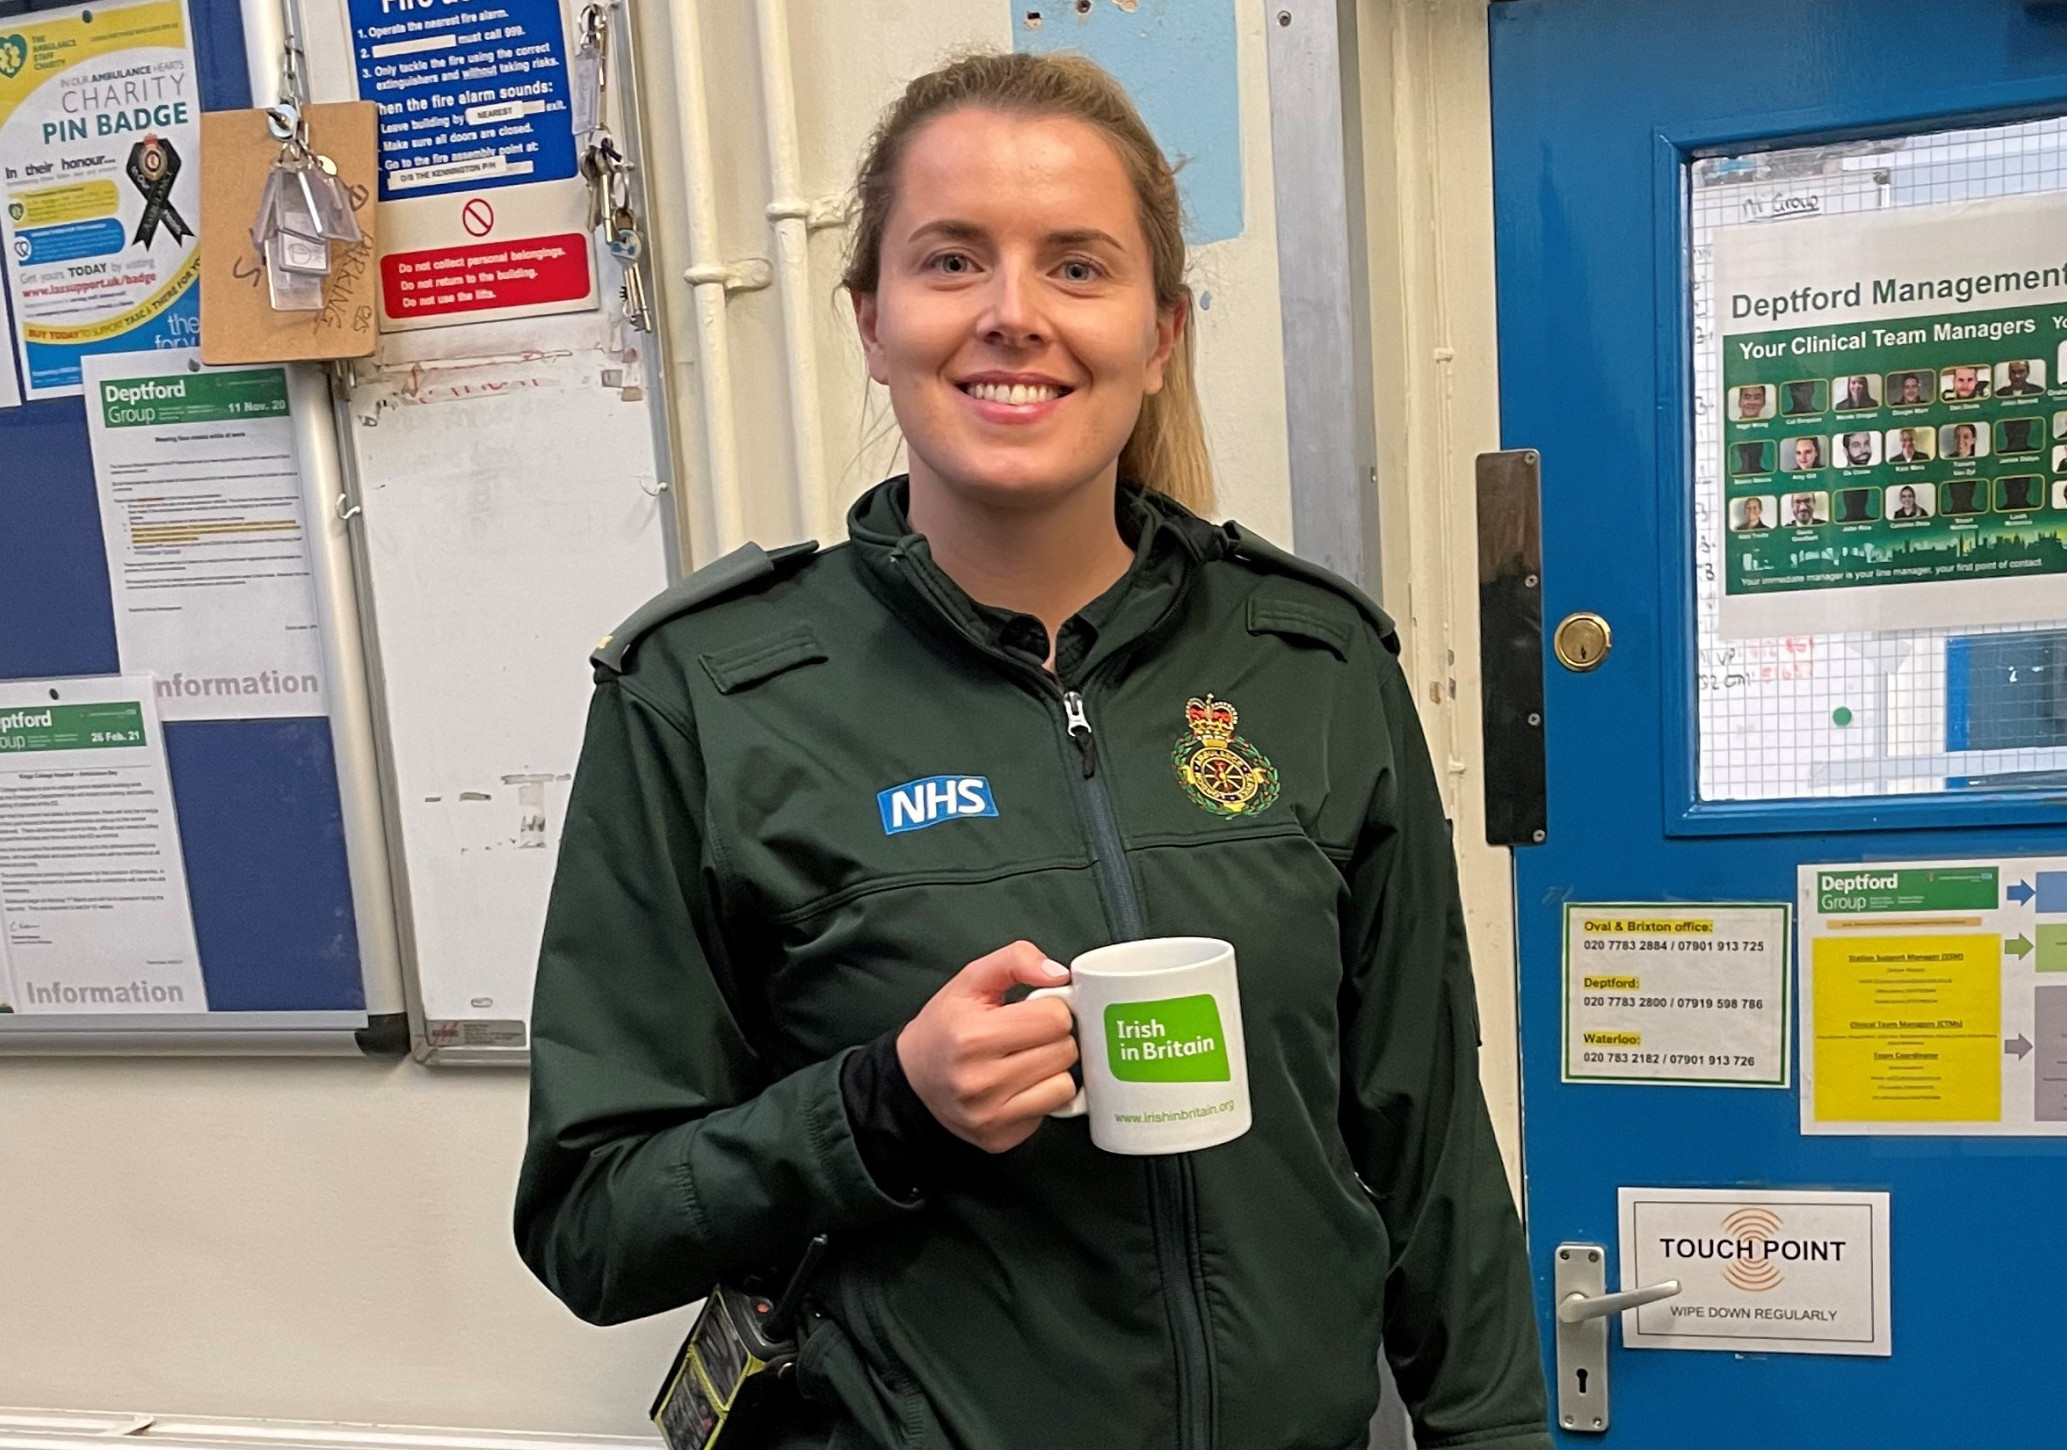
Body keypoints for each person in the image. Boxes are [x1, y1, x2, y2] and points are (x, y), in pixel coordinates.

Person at [513, 52, 1546, 1450]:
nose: (1013, 317)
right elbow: (593, 1219)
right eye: (951, 261)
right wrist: (882, 1106)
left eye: (1076, 267)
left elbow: (1429, 1154)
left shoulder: (1312, 664)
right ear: (869, 318)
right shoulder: (706, 694)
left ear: (1160, 329)